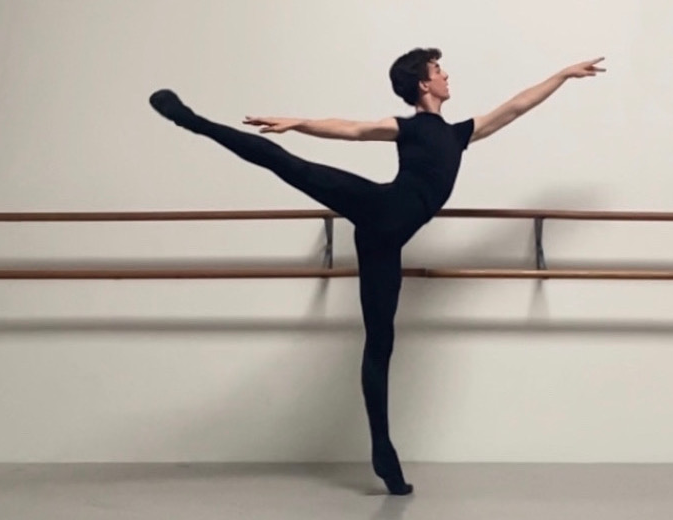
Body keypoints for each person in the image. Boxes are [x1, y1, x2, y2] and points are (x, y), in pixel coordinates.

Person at [149, 48, 605, 495]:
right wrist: (299, 123)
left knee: (380, 343)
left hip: (383, 242)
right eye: (439, 70)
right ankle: (191, 119)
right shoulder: (408, 128)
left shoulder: (460, 133)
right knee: (286, 163)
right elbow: (352, 129)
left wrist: (562, 75)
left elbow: (517, 106)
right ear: (424, 84)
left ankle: (383, 453)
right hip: (377, 207)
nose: (447, 76)